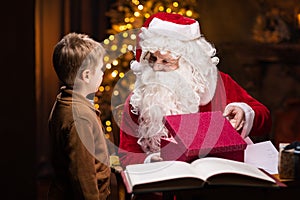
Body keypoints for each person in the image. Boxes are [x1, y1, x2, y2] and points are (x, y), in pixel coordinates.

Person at [118, 12, 272, 167]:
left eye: (166, 61)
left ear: (188, 61)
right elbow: (126, 157)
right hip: (164, 185)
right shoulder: (139, 99)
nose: (157, 67)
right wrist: (151, 161)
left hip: (220, 180)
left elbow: (264, 118)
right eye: (152, 59)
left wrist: (244, 113)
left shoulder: (217, 84)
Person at [48, 32, 111, 200]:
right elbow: (83, 176)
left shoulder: (66, 101)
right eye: (100, 69)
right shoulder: (79, 118)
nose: (103, 73)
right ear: (87, 75)